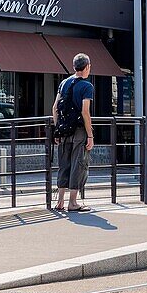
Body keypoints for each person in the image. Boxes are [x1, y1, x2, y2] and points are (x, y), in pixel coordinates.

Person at [52, 53, 94, 213]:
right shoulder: (86, 86)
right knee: (78, 164)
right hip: (78, 131)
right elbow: (85, 112)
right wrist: (90, 135)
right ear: (87, 66)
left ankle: (60, 201)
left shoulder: (64, 83)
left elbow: (55, 107)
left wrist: (58, 129)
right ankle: (73, 203)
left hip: (64, 131)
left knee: (64, 164)